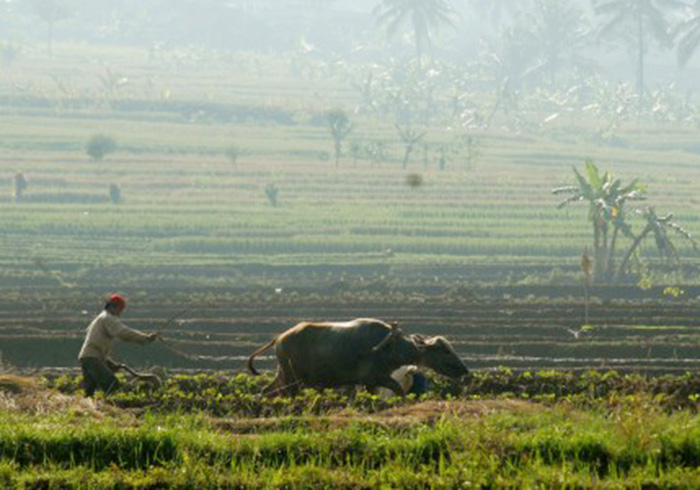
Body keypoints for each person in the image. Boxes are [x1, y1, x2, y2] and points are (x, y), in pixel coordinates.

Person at [78, 293, 157, 397]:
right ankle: (116, 408)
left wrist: (108, 361)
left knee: (90, 391)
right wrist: (144, 338)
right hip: (93, 358)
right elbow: (122, 332)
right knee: (112, 385)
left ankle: (90, 410)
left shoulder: (101, 318)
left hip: (88, 357)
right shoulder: (107, 318)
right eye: (120, 310)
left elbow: (96, 344)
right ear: (114, 307)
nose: (120, 313)